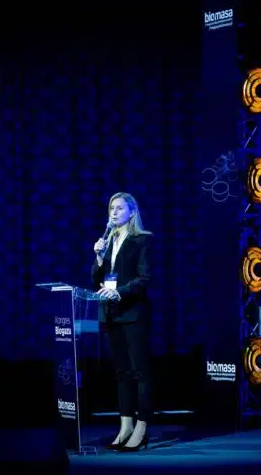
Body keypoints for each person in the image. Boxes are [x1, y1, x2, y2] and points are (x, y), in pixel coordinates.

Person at [92, 192, 153, 452]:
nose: (114, 213)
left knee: (140, 372)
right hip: (111, 314)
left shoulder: (142, 240)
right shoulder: (108, 242)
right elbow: (96, 279)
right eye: (111, 209)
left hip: (133, 314)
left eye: (119, 208)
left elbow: (144, 278)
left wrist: (120, 292)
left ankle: (142, 427)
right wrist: (98, 257)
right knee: (121, 373)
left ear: (132, 212)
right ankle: (125, 426)